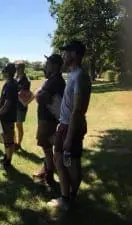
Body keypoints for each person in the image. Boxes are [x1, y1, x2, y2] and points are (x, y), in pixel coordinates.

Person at [47, 40, 91, 210]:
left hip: (72, 126)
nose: (64, 55)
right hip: (64, 124)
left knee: (71, 161)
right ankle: (66, 195)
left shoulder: (80, 76)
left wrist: (70, 136)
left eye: (66, 52)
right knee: (60, 158)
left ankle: (69, 198)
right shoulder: (72, 74)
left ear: (74, 54)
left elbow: (78, 110)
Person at [33, 54, 65, 187]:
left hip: (48, 120)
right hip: (47, 119)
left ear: (55, 65)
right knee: (47, 147)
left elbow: (40, 97)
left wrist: (39, 93)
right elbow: (39, 94)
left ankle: (49, 176)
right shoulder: (52, 79)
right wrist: (39, 93)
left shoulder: (55, 81)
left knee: (46, 148)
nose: (46, 66)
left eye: (48, 63)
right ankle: (46, 171)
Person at [0, 63, 18, 170]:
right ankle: (6, 157)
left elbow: (7, 104)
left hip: (7, 117)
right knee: (5, 139)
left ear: (8, 73)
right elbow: (2, 101)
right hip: (4, 117)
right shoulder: (7, 84)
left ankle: (8, 162)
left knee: (9, 141)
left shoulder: (11, 85)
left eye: (4, 71)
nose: (2, 73)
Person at [14, 60, 31, 150]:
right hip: (14, 105)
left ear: (22, 68)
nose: (16, 70)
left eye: (17, 68)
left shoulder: (26, 81)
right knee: (14, 124)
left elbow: (24, 95)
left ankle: (18, 143)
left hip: (20, 106)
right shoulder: (16, 78)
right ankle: (14, 142)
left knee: (19, 125)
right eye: (15, 68)